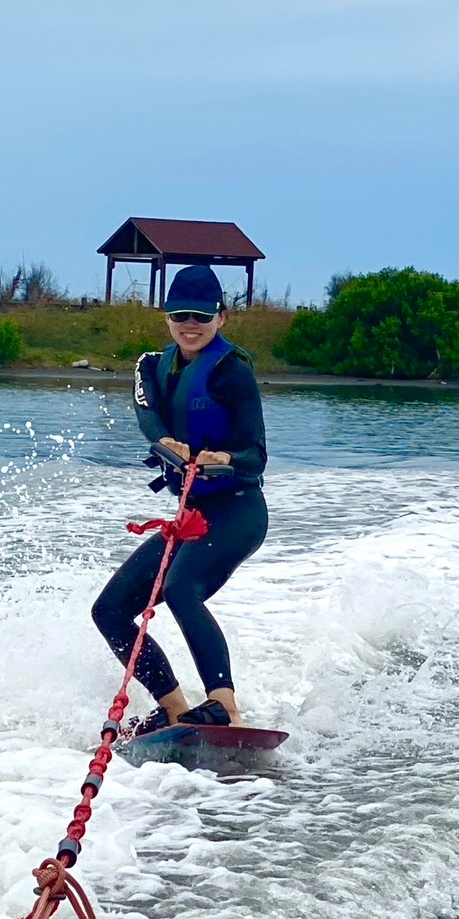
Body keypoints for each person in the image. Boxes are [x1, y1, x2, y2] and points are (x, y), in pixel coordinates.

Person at [91, 265, 268, 732]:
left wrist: (225, 456)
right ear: (167, 317)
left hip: (238, 511)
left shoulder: (233, 372)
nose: (190, 325)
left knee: (179, 587)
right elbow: (148, 414)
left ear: (221, 318)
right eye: (180, 315)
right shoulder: (150, 365)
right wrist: (164, 441)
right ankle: (174, 708)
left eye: (201, 316)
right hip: (192, 516)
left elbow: (257, 457)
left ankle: (225, 707)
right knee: (108, 611)